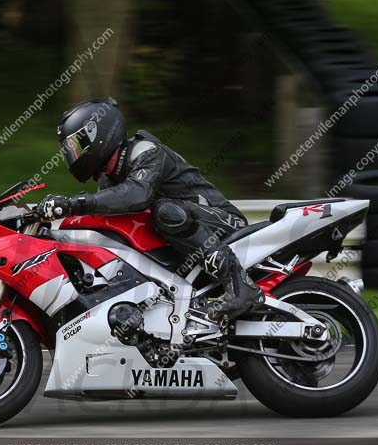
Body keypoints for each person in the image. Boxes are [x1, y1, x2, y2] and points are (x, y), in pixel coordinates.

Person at [39, 98, 264, 321]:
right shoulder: (109, 181)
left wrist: (74, 204)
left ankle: (241, 287)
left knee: (166, 211)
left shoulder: (145, 151)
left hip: (224, 223)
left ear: (96, 133)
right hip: (188, 238)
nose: (73, 156)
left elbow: (136, 194)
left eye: (77, 146)